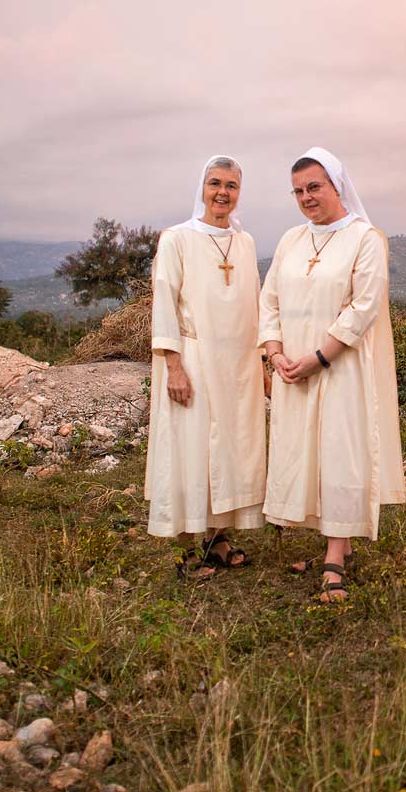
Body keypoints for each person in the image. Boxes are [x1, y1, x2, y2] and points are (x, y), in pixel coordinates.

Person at [259, 147, 406, 602]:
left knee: (339, 453)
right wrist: (275, 352)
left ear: (337, 186)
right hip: (292, 369)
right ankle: (320, 536)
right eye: (299, 190)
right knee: (304, 454)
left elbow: (363, 307)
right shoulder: (290, 240)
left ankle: (336, 555)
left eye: (314, 187)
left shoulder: (366, 238)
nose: (306, 197)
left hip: (338, 368)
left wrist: (317, 359)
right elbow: (270, 300)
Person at [144, 155, 269, 577]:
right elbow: (164, 305)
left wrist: (263, 362)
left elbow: (254, 304)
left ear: (239, 193)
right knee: (191, 453)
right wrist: (173, 367)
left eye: (231, 186)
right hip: (194, 360)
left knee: (232, 452)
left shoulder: (246, 242)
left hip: (238, 366)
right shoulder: (176, 239)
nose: (222, 192)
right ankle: (183, 555)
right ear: (202, 188)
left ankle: (218, 540)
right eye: (215, 183)